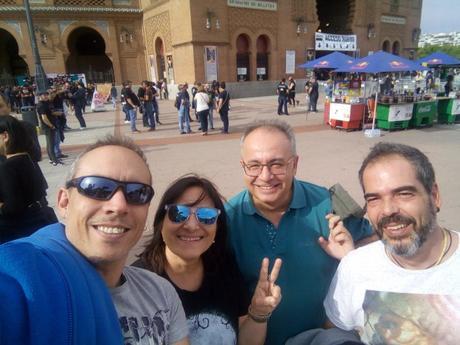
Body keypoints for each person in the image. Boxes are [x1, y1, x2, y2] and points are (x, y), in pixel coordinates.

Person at [0, 135, 189, 345]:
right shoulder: (25, 276)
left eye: (137, 193)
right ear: (64, 202)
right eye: (97, 188)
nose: (119, 205)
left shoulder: (159, 292)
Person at [225, 119, 375, 345]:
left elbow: (377, 242)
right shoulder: (227, 218)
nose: (265, 176)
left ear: (294, 164)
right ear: (243, 166)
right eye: (254, 165)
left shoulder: (330, 202)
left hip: (322, 338)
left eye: (277, 164)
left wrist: (351, 257)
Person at [324, 142, 460, 344]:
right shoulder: (355, 266)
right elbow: (336, 330)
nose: (387, 210)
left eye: (404, 193)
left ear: (434, 196)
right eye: (374, 199)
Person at [135, 174, 282, 345]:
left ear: (216, 229)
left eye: (206, 215)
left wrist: (258, 313)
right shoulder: (139, 284)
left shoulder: (224, 268)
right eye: (178, 213)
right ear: (161, 223)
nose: (191, 225)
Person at [0, 115, 57, 244]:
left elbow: (12, 207)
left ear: (5, 136)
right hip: (37, 221)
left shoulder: (7, 167)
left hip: (17, 231)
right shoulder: (27, 159)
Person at [36, 91, 62, 166]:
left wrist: (57, 113)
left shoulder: (46, 103)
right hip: (48, 127)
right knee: (51, 144)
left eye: (46, 95)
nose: (46, 96)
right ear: (40, 96)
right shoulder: (40, 105)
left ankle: (51, 159)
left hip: (50, 125)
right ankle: (54, 160)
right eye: (44, 95)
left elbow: (50, 112)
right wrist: (51, 126)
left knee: (50, 143)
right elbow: (44, 118)